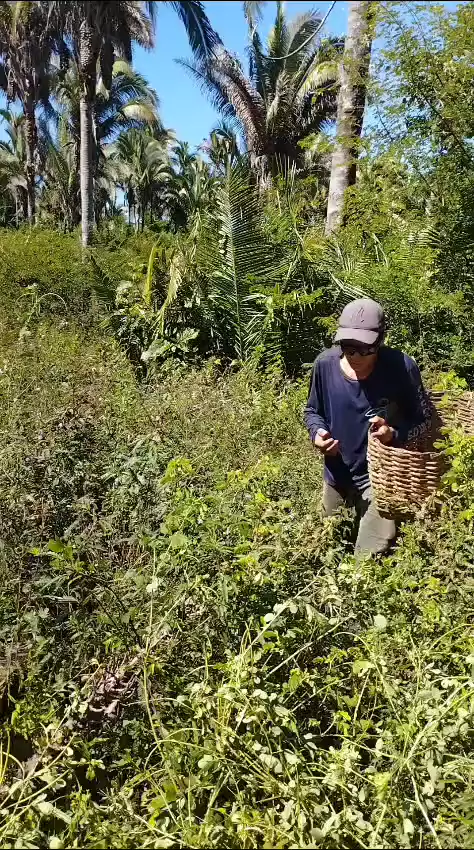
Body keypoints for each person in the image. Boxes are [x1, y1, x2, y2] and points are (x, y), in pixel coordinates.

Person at [304, 298, 432, 554]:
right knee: (324, 548)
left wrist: (393, 434)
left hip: (382, 476)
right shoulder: (325, 365)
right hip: (337, 473)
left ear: (380, 341)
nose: (355, 356)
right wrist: (317, 433)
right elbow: (312, 411)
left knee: (367, 559)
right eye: (348, 348)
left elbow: (425, 419)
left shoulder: (401, 368)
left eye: (365, 349)